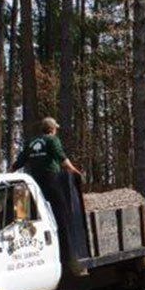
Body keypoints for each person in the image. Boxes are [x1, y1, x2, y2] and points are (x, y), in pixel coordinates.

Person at [12, 117, 88, 275]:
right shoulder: (52, 140)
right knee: (62, 214)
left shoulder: (31, 142)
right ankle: (69, 256)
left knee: (31, 214)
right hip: (52, 180)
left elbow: (20, 161)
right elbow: (62, 158)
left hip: (34, 182)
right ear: (52, 129)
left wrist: (8, 172)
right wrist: (74, 170)